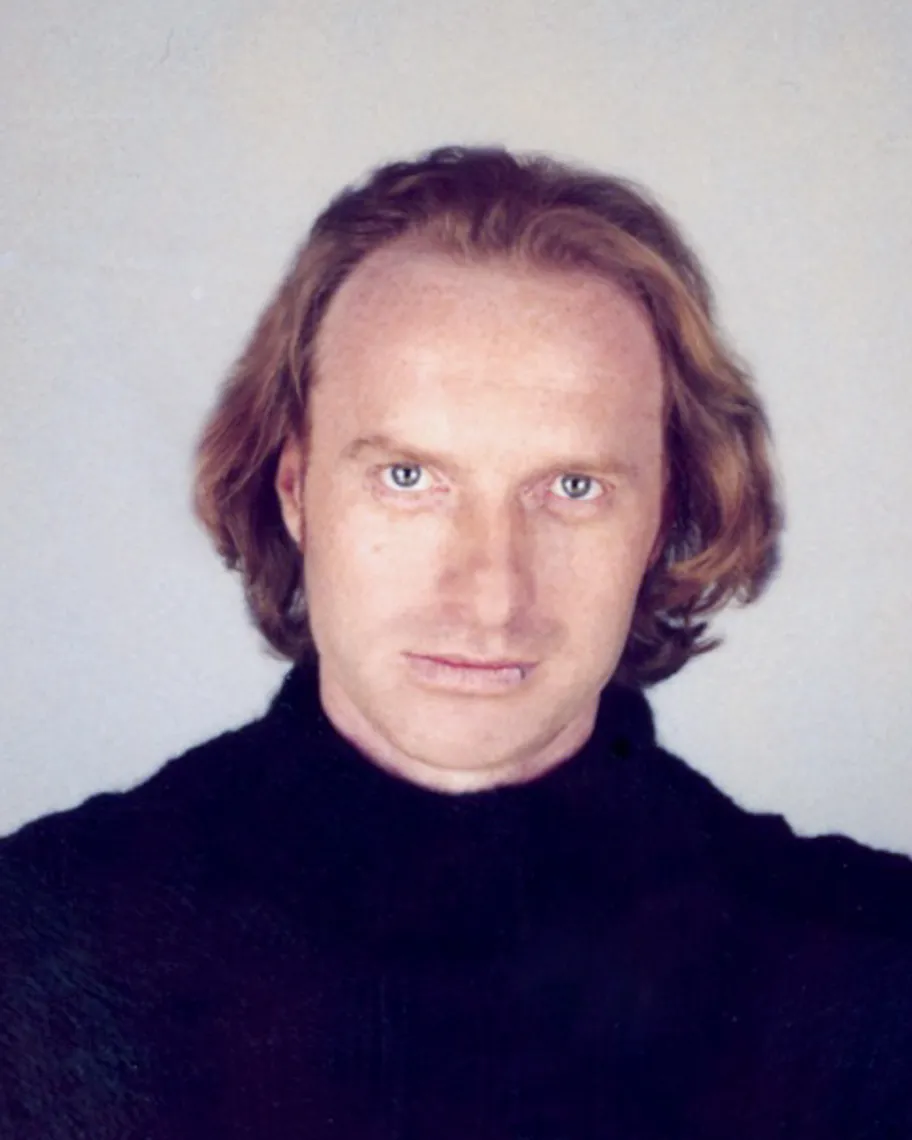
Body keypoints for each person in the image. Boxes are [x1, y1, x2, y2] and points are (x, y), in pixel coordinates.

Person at [1, 145, 910, 1140]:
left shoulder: (874, 977)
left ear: (665, 515)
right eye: (409, 479)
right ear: (296, 490)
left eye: (572, 488)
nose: (490, 595)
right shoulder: (32, 956)